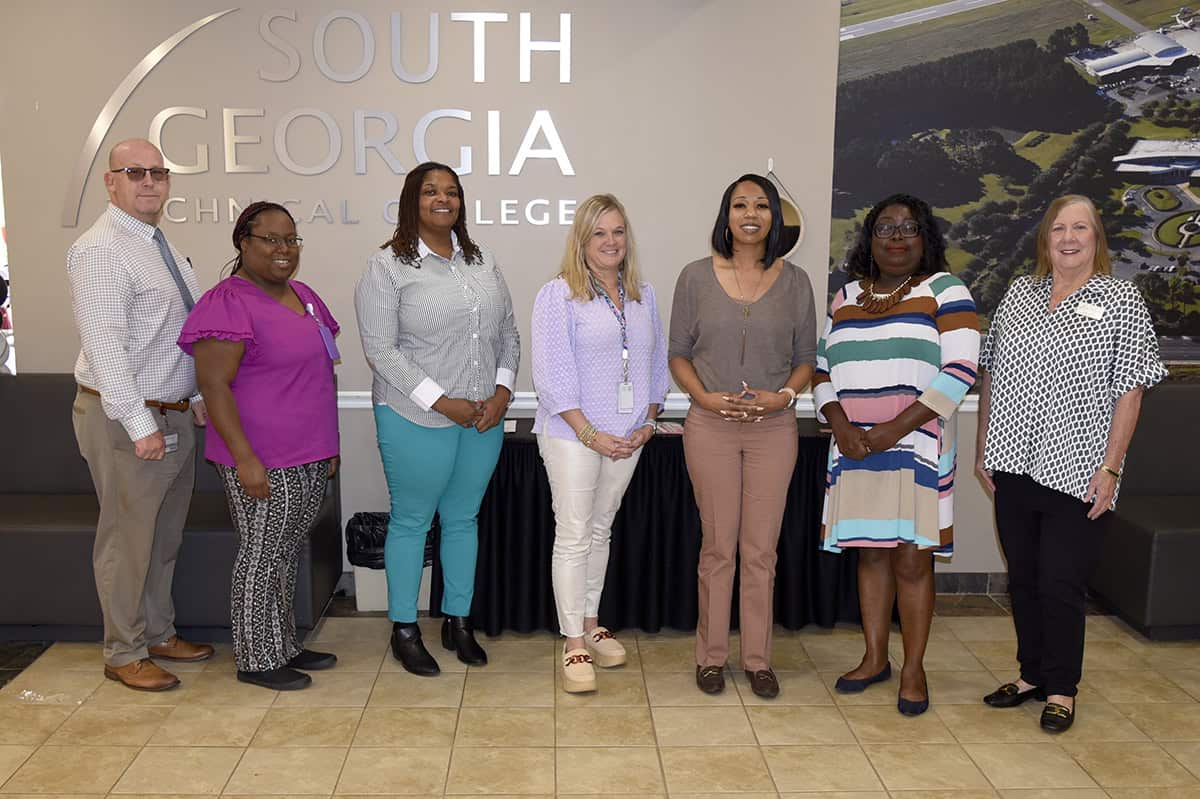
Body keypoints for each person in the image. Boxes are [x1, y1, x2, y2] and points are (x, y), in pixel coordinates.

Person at [976, 194, 1166, 733]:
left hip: (1077, 470)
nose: (1068, 237)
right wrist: (984, 444)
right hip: (1012, 459)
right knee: (1024, 580)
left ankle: (1062, 686)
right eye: (1058, 227)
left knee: (1061, 583)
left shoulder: (1121, 298)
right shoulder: (1020, 293)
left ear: (1096, 238)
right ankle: (1033, 673)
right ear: (1045, 238)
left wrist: (1110, 469)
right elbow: (991, 370)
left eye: (1080, 227)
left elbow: (1132, 389)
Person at [814, 193, 980, 716]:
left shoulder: (946, 291)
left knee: (912, 559)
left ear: (925, 236)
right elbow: (822, 371)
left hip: (917, 446)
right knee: (871, 554)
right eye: (884, 228)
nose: (897, 237)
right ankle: (873, 658)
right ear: (870, 240)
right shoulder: (845, 297)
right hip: (854, 448)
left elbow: (960, 372)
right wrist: (839, 423)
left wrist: (892, 430)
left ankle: (913, 669)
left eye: (908, 228)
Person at [355, 161, 520, 675]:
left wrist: (503, 391)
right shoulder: (388, 266)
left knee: (463, 518)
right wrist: (440, 400)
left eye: (451, 192)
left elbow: (509, 333)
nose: (442, 199)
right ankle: (404, 628)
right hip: (413, 415)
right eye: (430, 192)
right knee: (412, 520)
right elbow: (380, 350)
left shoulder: (482, 259)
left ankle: (458, 621)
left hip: (481, 419)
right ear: (413, 201)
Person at [66, 139, 213, 691]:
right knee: (127, 539)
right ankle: (122, 650)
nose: (149, 182)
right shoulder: (101, 248)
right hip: (127, 418)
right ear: (111, 182)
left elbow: (177, 337)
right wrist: (139, 422)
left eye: (158, 173)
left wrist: (195, 396)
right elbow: (104, 346)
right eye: (135, 173)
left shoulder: (159, 246)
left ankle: (157, 632)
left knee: (163, 536)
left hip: (171, 413)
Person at [178, 202, 341, 691]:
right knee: (262, 553)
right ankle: (255, 657)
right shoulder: (226, 301)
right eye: (270, 239)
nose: (283, 249)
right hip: (262, 456)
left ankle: (283, 644)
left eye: (291, 239)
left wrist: (329, 445)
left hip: (309, 451)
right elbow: (214, 386)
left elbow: (318, 375)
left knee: (286, 549)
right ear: (243, 242)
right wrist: (246, 459)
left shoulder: (304, 296)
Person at [668, 173, 817, 699]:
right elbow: (678, 354)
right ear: (725, 216)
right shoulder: (694, 277)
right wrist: (702, 397)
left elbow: (805, 361)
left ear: (775, 217)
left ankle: (757, 659)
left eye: (761, 205)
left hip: (774, 430)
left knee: (760, 551)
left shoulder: (796, 282)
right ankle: (710, 657)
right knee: (718, 548)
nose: (750, 214)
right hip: (709, 427)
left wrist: (787, 397)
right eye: (739, 204)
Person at [531, 194, 669, 693]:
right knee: (572, 534)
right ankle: (572, 644)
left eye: (618, 231)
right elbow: (551, 376)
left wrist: (649, 421)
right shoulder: (558, 295)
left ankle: (592, 621)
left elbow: (656, 364)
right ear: (582, 241)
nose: (610, 242)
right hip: (573, 435)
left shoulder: (642, 294)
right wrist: (591, 433)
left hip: (628, 437)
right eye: (599, 234)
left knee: (601, 529)